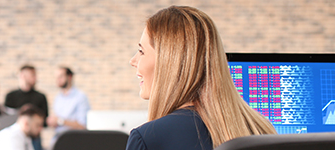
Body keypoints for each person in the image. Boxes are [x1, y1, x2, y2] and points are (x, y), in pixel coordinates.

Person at [125, 6, 276, 150]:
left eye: (141, 51)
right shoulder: (261, 128)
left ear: (169, 62)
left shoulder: (148, 139)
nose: (133, 60)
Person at [4, 65, 48, 150]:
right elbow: (5, 118)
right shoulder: (11, 96)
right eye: (32, 75)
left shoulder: (40, 97)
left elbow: (45, 120)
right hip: (17, 132)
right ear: (22, 75)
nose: (35, 78)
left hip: (35, 137)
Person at [46, 67, 89, 140]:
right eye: (56, 77)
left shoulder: (80, 97)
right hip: (57, 138)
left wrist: (60, 121)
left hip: (73, 139)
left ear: (69, 77)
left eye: (61, 76)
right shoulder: (58, 98)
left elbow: (82, 126)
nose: (58, 80)